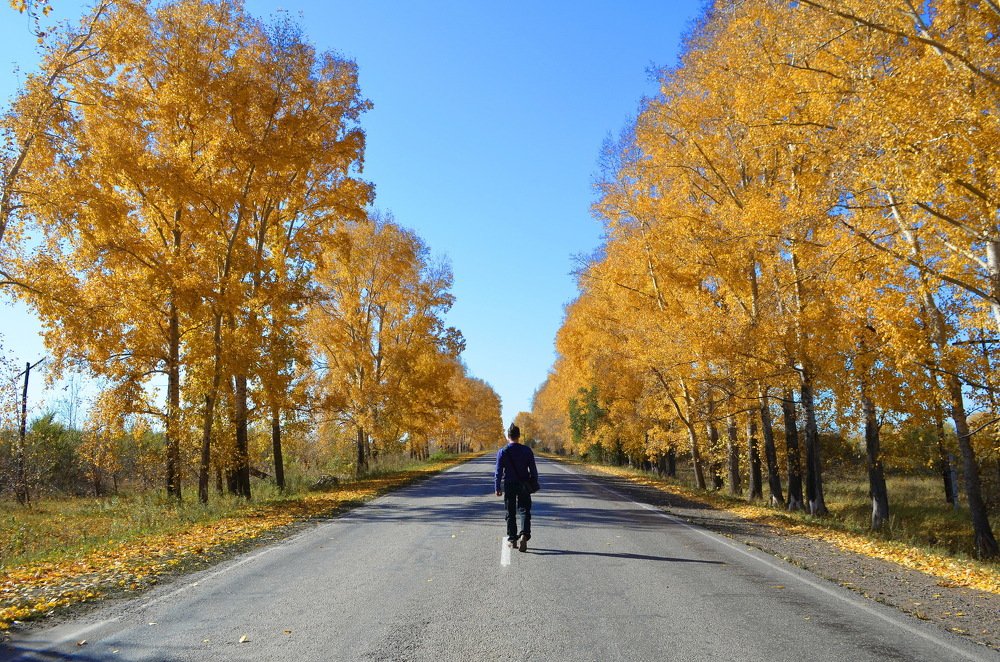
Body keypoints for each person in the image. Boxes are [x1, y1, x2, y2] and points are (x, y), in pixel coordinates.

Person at [494, 423, 538, 552]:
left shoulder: (503, 451)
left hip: (509, 484)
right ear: (519, 436)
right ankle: (524, 534)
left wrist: (497, 487)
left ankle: (513, 538)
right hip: (524, 484)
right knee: (524, 510)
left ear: (508, 436)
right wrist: (533, 482)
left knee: (510, 511)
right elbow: (533, 470)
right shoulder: (527, 450)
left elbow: (498, 472)